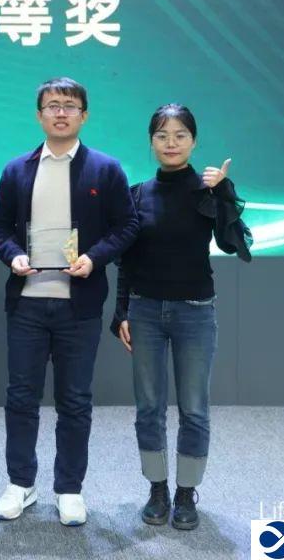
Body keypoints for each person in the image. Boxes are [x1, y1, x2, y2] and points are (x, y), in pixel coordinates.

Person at [0, 77, 138, 526]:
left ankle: (70, 488)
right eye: (52, 105)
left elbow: (127, 226)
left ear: (83, 115)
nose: (60, 112)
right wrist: (13, 255)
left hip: (79, 306)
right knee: (21, 397)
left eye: (69, 106)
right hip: (27, 305)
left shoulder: (105, 169)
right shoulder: (17, 170)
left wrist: (94, 258)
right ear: (39, 115)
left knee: (75, 400)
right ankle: (20, 483)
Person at [111, 103, 252, 529]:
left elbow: (235, 246)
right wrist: (121, 311)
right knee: (148, 408)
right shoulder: (137, 194)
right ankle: (157, 489)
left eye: (180, 135)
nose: (171, 143)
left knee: (194, 409)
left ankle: (186, 492)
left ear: (193, 141)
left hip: (195, 313)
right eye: (162, 136)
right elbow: (127, 261)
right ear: (151, 142)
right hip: (145, 312)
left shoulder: (208, 191)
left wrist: (224, 193)